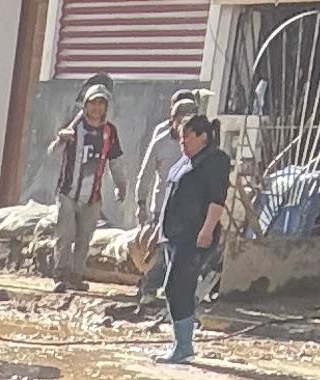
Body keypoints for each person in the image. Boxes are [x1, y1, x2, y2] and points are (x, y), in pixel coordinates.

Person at [156, 112, 230, 365]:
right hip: (174, 235)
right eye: (181, 137)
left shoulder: (215, 161)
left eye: (187, 137)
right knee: (176, 288)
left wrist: (207, 230)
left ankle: (184, 345)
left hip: (194, 235)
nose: (183, 142)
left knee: (176, 287)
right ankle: (181, 343)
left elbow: (216, 200)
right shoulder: (185, 161)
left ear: (203, 136)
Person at [127, 86, 208, 310]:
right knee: (161, 252)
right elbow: (144, 176)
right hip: (162, 208)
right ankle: (149, 289)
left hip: (190, 210)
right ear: (172, 119)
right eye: (181, 119)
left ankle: (181, 296)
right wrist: (141, 206)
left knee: (185, 254)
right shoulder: (161, 141)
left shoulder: (203, 142)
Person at [43, 81, 124, 291]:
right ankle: (61, 275)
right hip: (68, 192)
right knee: (65, 235)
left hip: (93, 196)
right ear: (85, 105)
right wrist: (61, 139)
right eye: (93, 103)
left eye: (101, 103)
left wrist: (120, 185)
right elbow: (52, 153)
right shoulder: (74, 126)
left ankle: (76, 276)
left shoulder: (109, 132)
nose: (97, 108)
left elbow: (115, 161)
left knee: (84, 238)